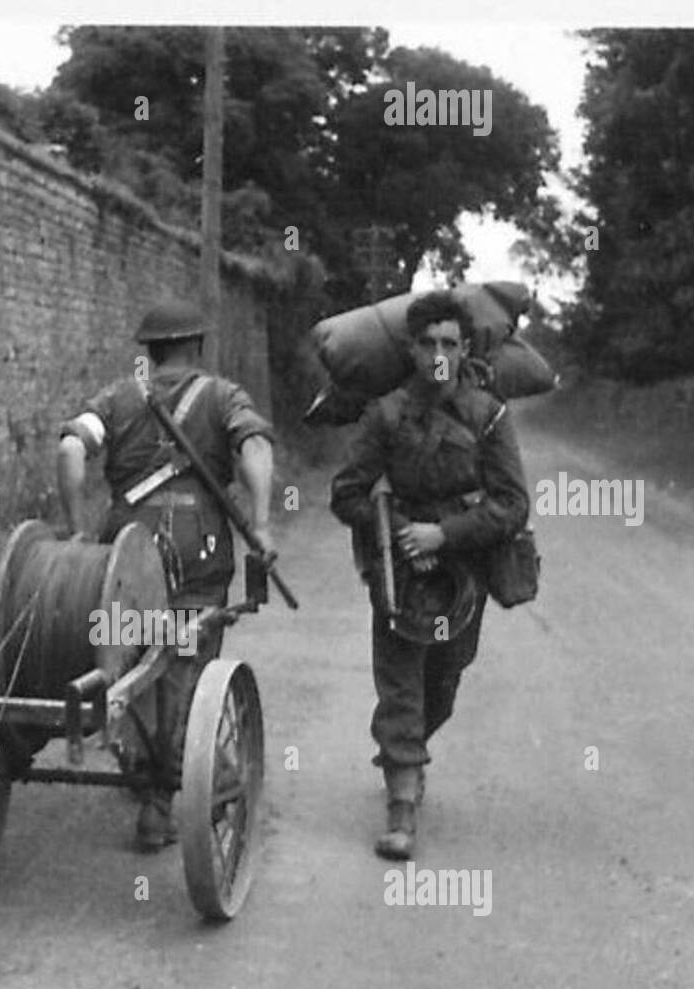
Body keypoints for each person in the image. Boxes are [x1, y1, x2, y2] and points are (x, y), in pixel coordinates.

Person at [56, 299, 276, 851]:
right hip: (196, 551)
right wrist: (263, 522)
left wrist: (75, 527)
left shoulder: (115, 397)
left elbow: (69, 447)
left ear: (148, 353)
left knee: (126, 662)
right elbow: (254, 446)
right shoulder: (224, 397)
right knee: (183, 670)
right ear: (196, 347)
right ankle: (161, 802)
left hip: (123, 553)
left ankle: (147, 771)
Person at [329, 290, 529, 860]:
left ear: (464, 349)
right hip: (401, 577)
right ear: (412, 350)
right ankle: (402, 808)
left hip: (463, 575)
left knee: (443, 683)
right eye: (427, 343)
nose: (438, 353)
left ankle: (408, 757)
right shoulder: (385, 414)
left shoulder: (488, 415)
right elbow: (346, 495)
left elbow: (513, 504)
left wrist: (446, 535)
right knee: (400, 685)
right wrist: (396, 534)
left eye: (449, 343)